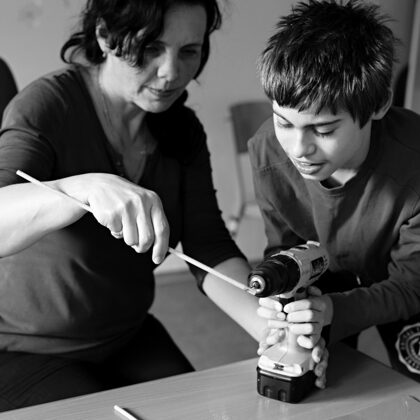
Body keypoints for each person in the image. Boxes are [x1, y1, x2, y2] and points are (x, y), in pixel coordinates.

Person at [0, 0, 288, 411]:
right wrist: (80, 188)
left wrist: (273, 330)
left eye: (189, 51)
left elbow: (209, 246)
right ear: (105, 35)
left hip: (127, 334)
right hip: (27, 347)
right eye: (151, 48)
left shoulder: (182, 129)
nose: (171, 72)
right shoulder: (48, 106)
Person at [253, 0, 420, 386]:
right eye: (284, 123)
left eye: (324, 130)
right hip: (323, 280)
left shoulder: (414, 163)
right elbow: (283, 249)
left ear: (378, 104)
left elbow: (412, 284)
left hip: (406, 281)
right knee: (319, 379)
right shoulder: (267, 152)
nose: (299, 150)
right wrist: (286, 302)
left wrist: (334, 311)